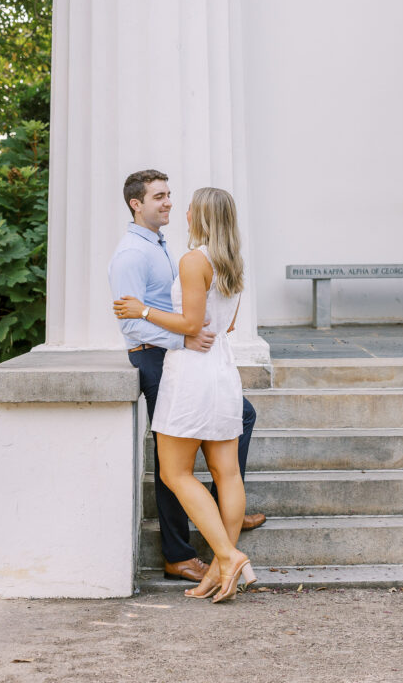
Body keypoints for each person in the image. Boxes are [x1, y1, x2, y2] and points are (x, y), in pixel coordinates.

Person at [108, 170, 264, 586]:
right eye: (160, 196)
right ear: (135, 204)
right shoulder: (135, 254)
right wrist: (180, 337)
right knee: (204, 467)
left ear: (202, 216)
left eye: (174, 197)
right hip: (168, 358)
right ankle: (188, 552)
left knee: (176, 468)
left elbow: (190, 320)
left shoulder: (184, 254)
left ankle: (223, 555)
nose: (172, 204)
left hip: (192, 361)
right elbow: (136, 327)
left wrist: (162, 322)